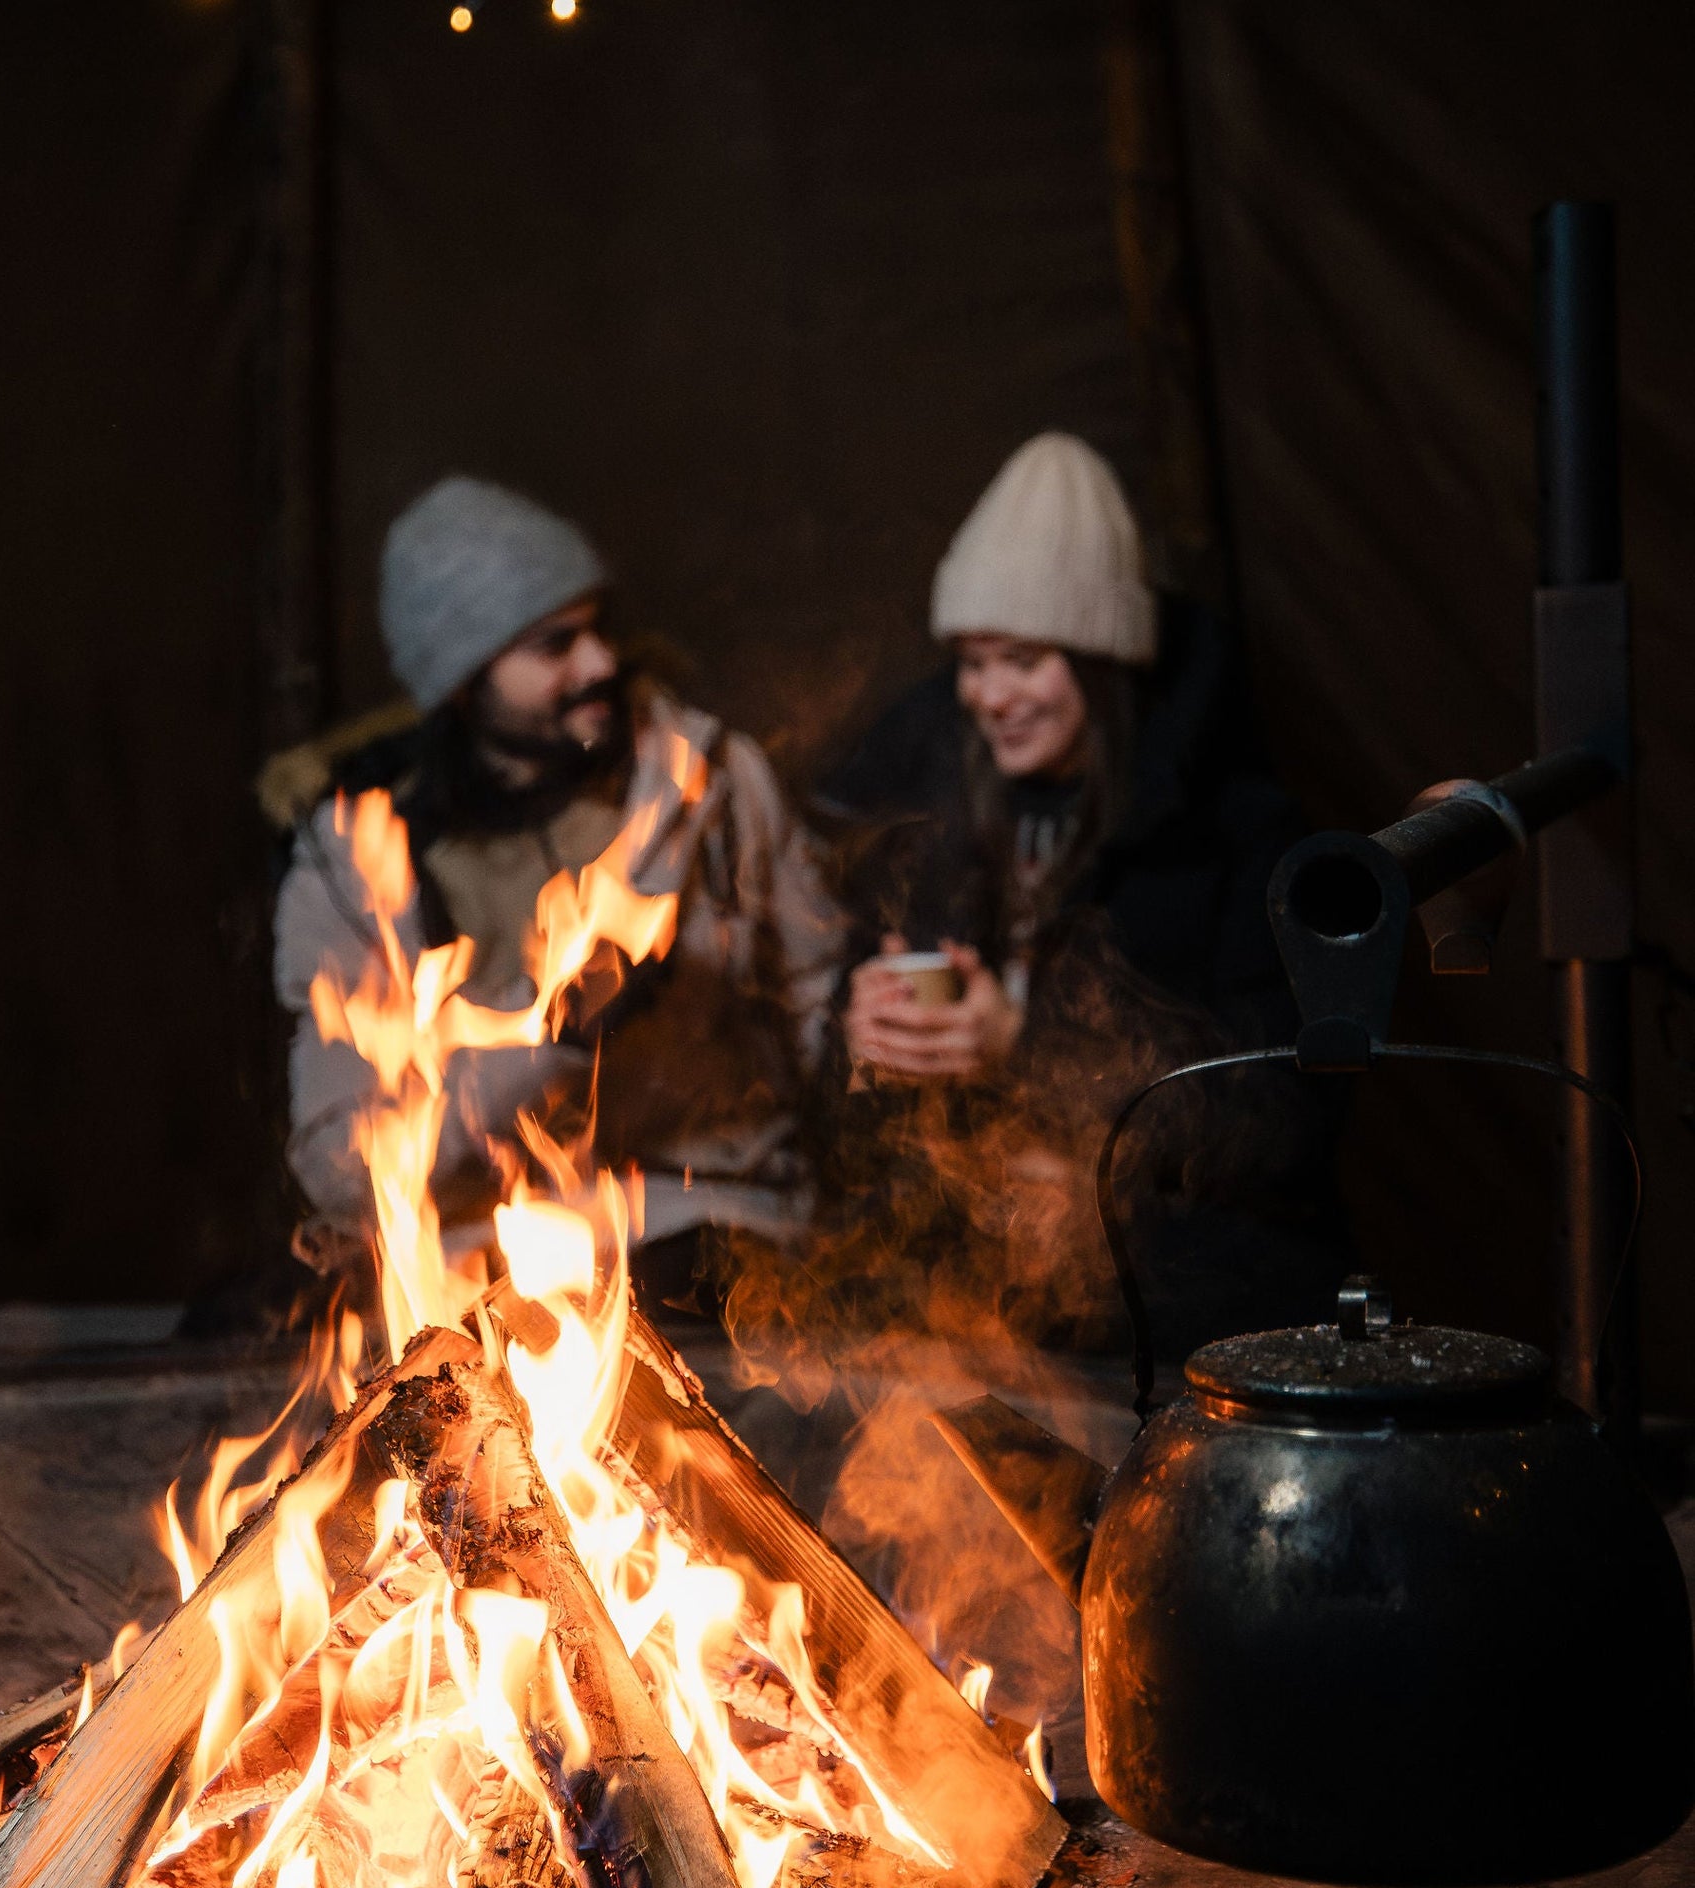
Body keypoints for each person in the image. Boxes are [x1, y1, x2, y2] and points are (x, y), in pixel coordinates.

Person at [272, 477, 847, 1435]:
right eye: (553, 645)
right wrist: (551, 1044)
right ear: (463, 676)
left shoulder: (708, 787)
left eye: (597, 629)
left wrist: (881, 1038)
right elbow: (339, 1158)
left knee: (680, 1370)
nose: (599, 663)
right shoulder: (364, 859)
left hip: (705, 1228)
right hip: (468, 1262)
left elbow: (822, 1007)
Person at [814, 432, 1347, 1355]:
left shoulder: (1234, 834)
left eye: (1024, 660)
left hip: (1170, 1282)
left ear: (1103, 661)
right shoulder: (942, 819)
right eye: (974, 664)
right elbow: (846, 1070)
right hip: (976, 1262)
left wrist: (1026, 1046)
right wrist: (862, 1034)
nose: (990, 695)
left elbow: (1285, 1111)